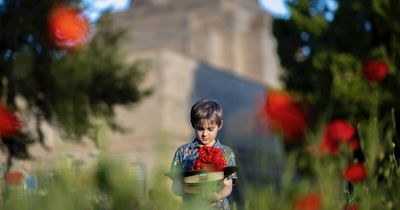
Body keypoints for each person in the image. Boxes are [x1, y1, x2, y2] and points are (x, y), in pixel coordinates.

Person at [170, 99, 238, 210]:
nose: (205, 134)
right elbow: (175, 187)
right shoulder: (183, 152)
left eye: (210, 129)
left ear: (220, 125)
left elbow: (228, 185)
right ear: (193, 124)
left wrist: (217, 196)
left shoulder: (226, 152)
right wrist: (193, 191)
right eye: (200, 128)